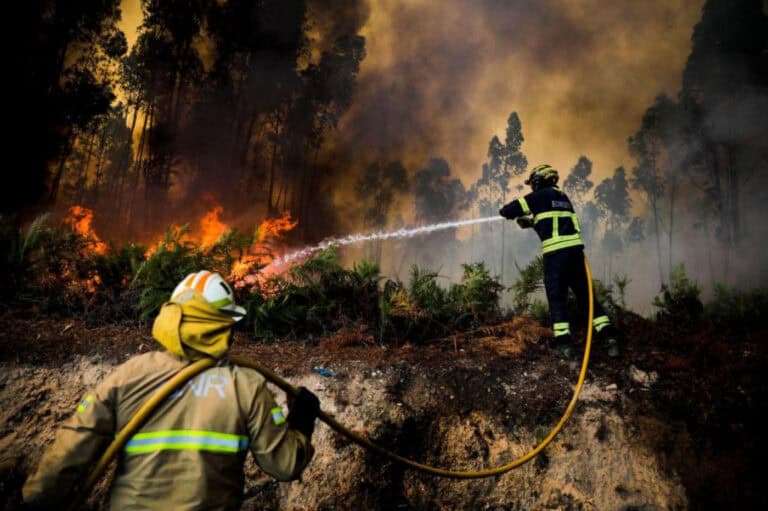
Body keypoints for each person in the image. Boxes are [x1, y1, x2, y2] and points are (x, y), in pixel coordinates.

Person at [23, 270, 319, 510]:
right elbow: (285, 465)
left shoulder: (129, 375)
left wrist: (34, 500)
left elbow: (70, 452)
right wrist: (301, 422)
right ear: (222, 328)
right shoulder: (246, 386)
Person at [500, 164, 621, 359]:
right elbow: (556, 222)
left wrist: (504, 212)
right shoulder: (563, 198)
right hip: (576, 255)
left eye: (533, 183)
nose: (532, 187)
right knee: (586, 297)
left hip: (556, 256)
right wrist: (531, 223)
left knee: (557, 299)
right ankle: (609, 337)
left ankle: (564, 344)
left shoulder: (540, 195)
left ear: (538, 180)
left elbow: (512, 209)